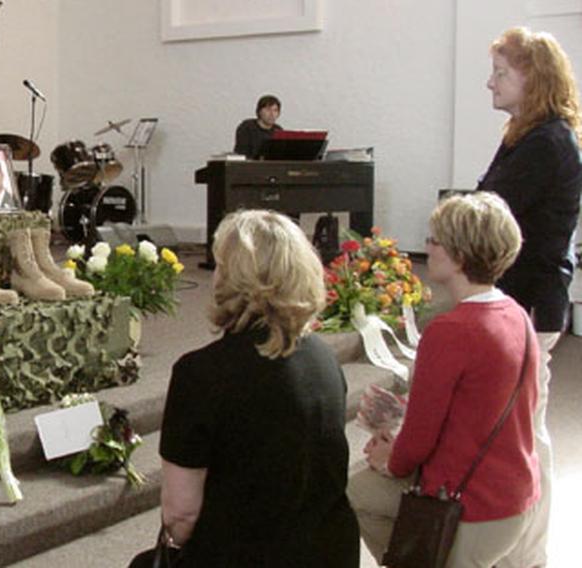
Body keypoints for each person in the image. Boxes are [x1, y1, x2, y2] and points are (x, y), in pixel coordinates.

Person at [132, 210, 359, 566]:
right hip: (329, 551)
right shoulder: (323, 358)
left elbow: (180, 516)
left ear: (229, 279)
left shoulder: (201, 373)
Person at [348, 192, 541, 567]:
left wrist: (392, 459)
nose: (427, 248)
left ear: (459, 255)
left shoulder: (451, 330)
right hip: (517, 494)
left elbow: (418, 443)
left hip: (473, 504)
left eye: (434, 241)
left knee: (357, 492)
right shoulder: (515, 313)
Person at [476, 27, 582, 567]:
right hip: (519, 295)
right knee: (518, 425)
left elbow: (491, 209)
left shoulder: (547, 142)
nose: (488, 82)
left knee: (527, 430)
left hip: (532, 298)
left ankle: (531, 554)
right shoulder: (526, 133)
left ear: (532, 79)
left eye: (500, 73)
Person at [233, 94, 283, 159]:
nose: (272, 114)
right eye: (268, 110)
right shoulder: (247, 127)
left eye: (275, 110)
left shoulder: (278, 130)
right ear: (259, 111)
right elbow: (242, 154)